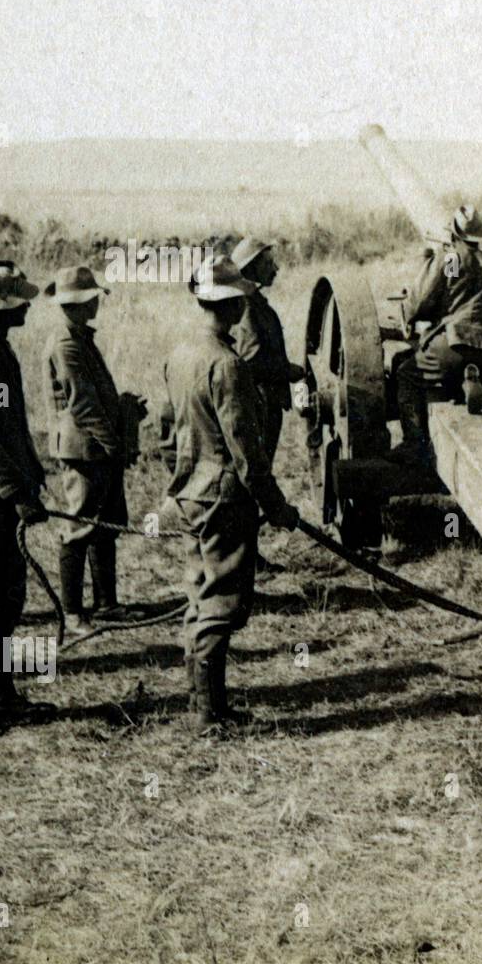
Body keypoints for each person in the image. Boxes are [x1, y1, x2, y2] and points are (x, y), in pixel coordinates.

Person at [164, 254, 299, 733]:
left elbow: (168, 429)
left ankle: (206, 706)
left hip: (192, 494)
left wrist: (178, 482)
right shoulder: (227, 366)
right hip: (223, 498)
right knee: (224, 603)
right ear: (235, 304)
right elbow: (246, 452)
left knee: (200, 596)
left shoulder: (179, 356)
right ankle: (209, 715)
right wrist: (277, 506)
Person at [396, 205, 482, 464]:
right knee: (477, 376)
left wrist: (407, 315)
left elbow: (424, 300)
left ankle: (414, 443)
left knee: (406, 375)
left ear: (455, 234)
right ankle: (470, 381)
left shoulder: (451, 259)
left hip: (451, 346)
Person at [43, 265, 139, 636]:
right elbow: (82, 405)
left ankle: (106, 605)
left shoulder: (79, 337)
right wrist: (115, 445)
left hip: (95, 448)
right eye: (93, 296)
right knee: (79, 527)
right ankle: (72, 613)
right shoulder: (66, 343)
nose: (98, 301)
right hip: (85, 450)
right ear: (82, 303)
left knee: (106, 523)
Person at [0, 262, 55, 733]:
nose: (28, 305)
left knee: (4, 597)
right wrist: (15, 492)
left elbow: (8, 424)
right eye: (20, 300)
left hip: (0, 495)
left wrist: (30, 474)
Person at [231, 236, 304, 574]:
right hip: (259, 403)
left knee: (256, 477)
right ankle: (245, 559)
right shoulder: (247, 307)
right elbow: (249, 361)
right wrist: (288, 371)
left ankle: (248, 555)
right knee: (252, 479)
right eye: (268, 262)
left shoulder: (252, 302)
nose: (276, 267)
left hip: (265, 402)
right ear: (252, 268)